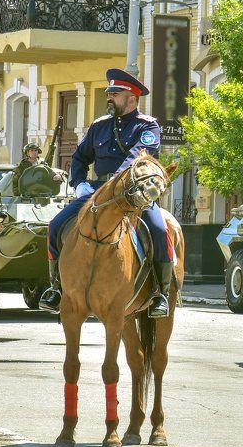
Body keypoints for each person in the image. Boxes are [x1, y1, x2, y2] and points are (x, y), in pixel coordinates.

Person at [39, 68, 173, 318]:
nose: (109, 97)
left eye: (115, 93)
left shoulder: (148, 127)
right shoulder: (99, 127)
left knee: (159, 229)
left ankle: (160, 293)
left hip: (134, 195)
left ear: (131, 98)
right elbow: (79, 158)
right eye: (109, 92)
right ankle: (55, 287)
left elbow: (138, 157)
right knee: (56, 225)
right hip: (94, 193)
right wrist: (79, 183)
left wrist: (116, 183)